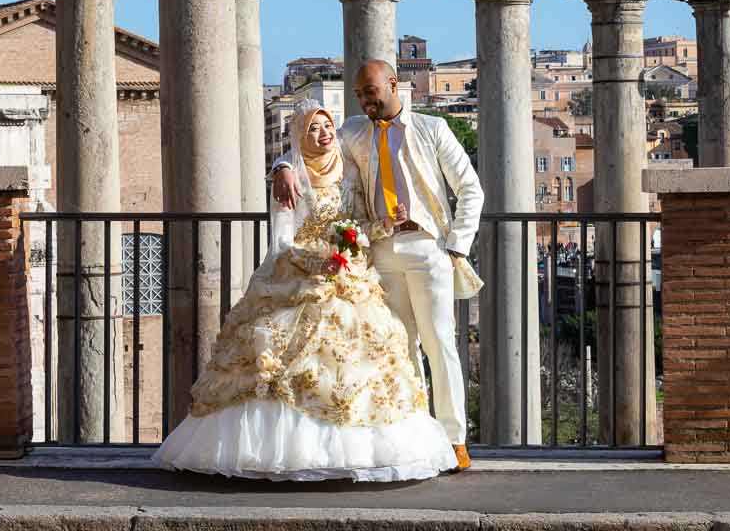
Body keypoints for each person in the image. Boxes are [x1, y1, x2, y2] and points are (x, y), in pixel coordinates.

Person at [152, 100, 457, 481]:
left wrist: (381, 227)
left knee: (365, 359)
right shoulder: (292, 174)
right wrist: (285, 175)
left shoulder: (348, 168)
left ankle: (362, 451)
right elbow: (281, 241)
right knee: (278, 360)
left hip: (350, 277)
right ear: (300, 135)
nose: (325, 133)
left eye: (327, 125)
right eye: (314, 128)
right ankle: (280, 452)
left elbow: (362, 224)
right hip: (299, 273)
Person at [273, 60, 484, 471]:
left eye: (370, 91)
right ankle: (418, 436)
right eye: (359, 94)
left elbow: (470, 189)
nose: (365, 99)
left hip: (428, 247)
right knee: (399, 348)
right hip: (381, 250)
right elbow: (307, 146)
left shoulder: (432, 129)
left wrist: (456, 248)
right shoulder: (354, 130)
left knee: (440, 343)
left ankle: (455, 439)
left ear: (393, 85)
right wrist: (282, 167)